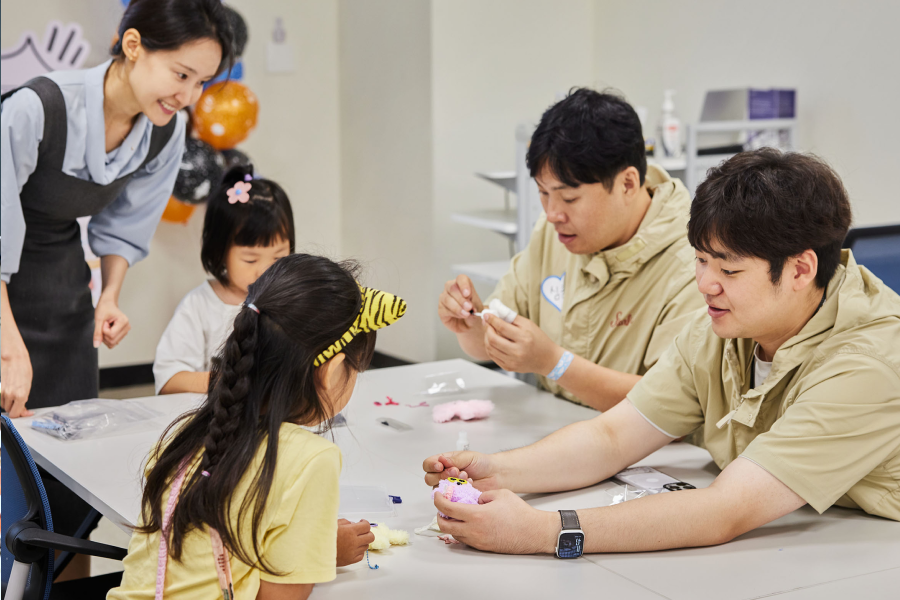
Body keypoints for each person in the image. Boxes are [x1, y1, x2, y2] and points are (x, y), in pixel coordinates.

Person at [422, 149, 900, 556]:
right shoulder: (724, 328)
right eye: (701, 260)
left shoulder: (868, 364)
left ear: (800, 270)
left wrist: (543, 531)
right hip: (817, 534)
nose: (705, 284)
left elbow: (726, 510)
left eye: (729, 271)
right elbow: (614, 436)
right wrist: (499, 472)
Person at [109, 254, 407, 599]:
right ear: (331, 371)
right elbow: (278, 597)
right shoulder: (311, 460)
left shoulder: (184, 433)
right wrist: (322, 552)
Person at [1, 0, 234, 418]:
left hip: (61, 283)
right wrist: (6, 345)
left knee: (68, 427)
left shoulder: (166, 132)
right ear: (133, 45)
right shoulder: (38, 107)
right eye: (181, 75)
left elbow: (126, 224)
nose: (187, 96)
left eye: (201, 82)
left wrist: (109, 296)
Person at [439, 89, 705, 410]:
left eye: (569, 198)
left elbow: (671, 406)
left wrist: (555, 363)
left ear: (627, 184)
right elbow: (489, 342)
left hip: (640, 441)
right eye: (543, 193)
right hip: (558, 427)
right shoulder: (554, 233)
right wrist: (472, 323)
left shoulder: (694, 263)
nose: (553, 213)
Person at [154, 165, 294, 394]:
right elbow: (169, 380)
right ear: (219, 252)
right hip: (221, 413)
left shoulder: (292, 299)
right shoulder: (199, 305)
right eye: (250, 260)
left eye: (278, 257)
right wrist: (227, 381)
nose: (265, 271)